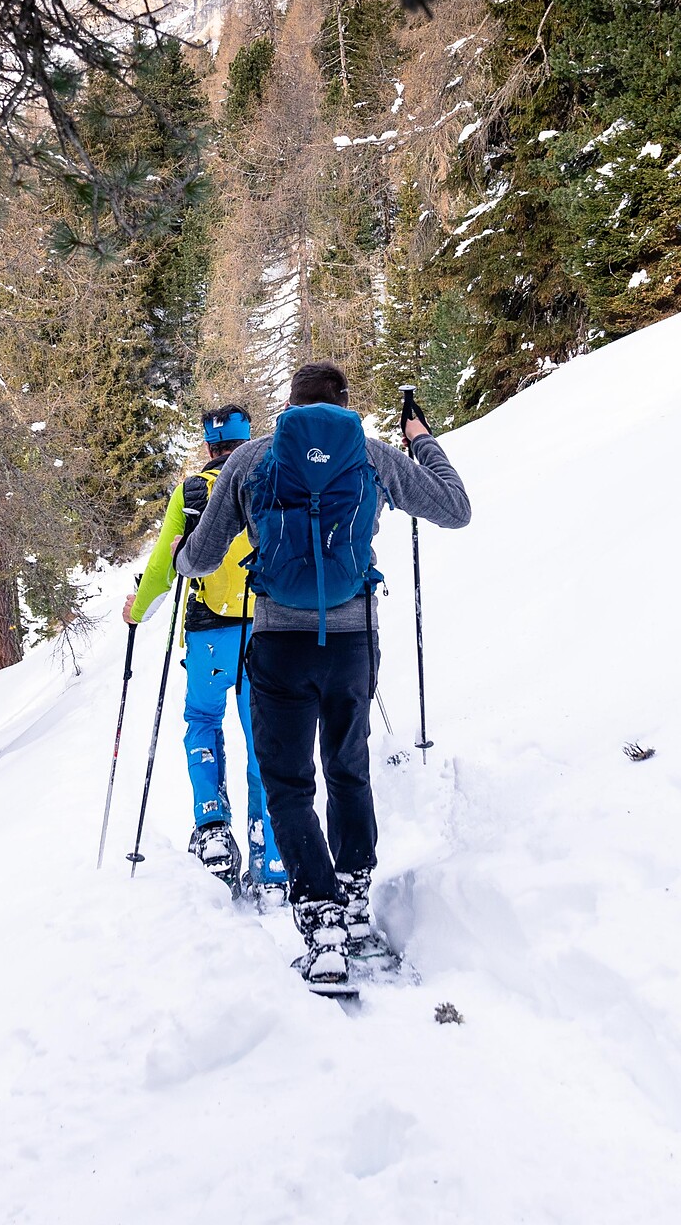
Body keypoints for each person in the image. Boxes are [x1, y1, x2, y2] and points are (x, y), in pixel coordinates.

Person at [175, 362, 470, 989]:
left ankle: (321, 925)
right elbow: (455, 509)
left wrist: (180, 554)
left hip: (279, 643)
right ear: (344, 403)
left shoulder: (252, 460)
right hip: (353, 644)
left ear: (287, 406)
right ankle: (355, 901)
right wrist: (421, 439)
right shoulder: (370, 454)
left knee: (287, 784)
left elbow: (201, 558)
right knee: (347, 767)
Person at [124, 405, 290, 899]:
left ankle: (212, 826)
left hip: (208, 633)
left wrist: (138, 611)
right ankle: (271, 843)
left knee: (201, 717)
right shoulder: (269, 476)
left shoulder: (191, 492)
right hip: (267, 626)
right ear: (247, 438)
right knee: (264, 730)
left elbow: (163, 567)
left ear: (208, 446)